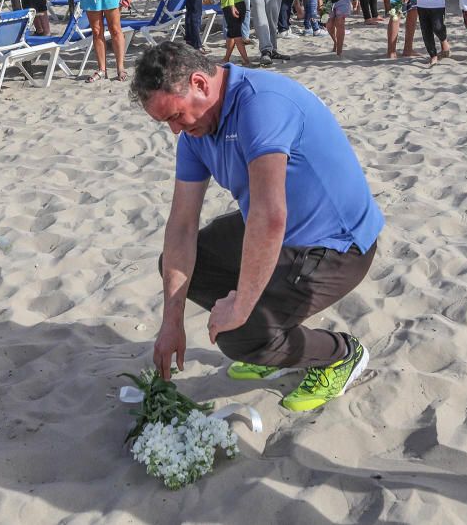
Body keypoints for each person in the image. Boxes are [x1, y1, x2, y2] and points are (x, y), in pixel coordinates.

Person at [130, 41, 384, 412]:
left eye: (175, 116)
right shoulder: (195, 133)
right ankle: (269, 349)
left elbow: (270, 215)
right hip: (278, 232)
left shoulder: (260, 104)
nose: (174, 131)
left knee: (240, 336)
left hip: (338, 245)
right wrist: (172, 321)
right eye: (164, 122)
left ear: (200, 84)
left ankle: (342, 355)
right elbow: (181, 227)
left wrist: (241, 306)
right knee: (179, 265)